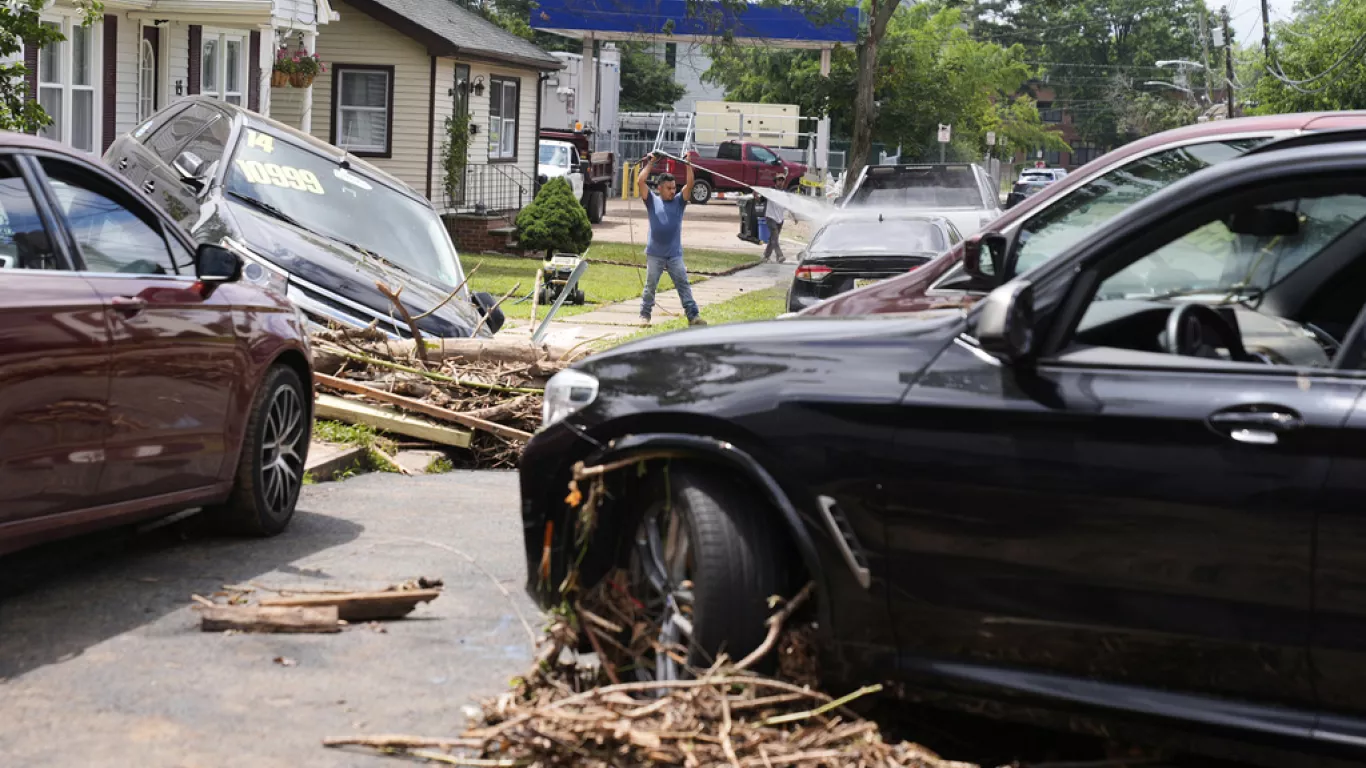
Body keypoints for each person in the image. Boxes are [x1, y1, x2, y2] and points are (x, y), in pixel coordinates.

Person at [635, 151, 705, 326]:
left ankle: (693, 316)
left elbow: (690, 184)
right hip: (655, 253)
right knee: (650, 286)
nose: (672, 191)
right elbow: (640, 181)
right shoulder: (652, 200)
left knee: (683, 284)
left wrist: (688, 164)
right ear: (659, 188)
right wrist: (651, 163)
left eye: (674, 188)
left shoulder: (679, 201)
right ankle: (645, 315)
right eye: (669, 188)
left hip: (674, 254)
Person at [763, 174, 788, 264]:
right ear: (775, 181)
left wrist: (794, 216)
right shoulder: (770, 191)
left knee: (773, 238)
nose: (781, 182)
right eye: (779, 180)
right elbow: (761, 199)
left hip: (780, 219)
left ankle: (766, 256)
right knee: (775, 236)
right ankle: (779, 255)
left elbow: (789, 205)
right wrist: (757, 196)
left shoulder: (785, 193)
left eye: (782, 180)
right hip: (770, 217)